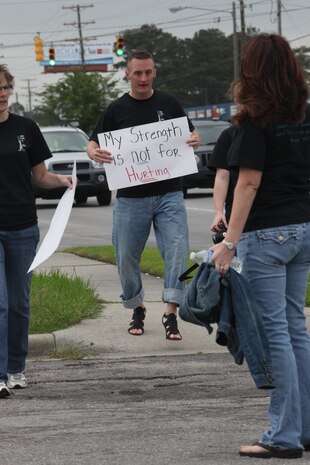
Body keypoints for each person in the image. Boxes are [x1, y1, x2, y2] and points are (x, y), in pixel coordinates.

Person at [210, 34, 310, 458]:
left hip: (267, 234)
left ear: (251, 70)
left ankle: (283, 436)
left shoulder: (254, 121)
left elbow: (248, 183)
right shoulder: (305, 116)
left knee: (276, 335)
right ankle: (302, 430)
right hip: (302, 229)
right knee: (296, 329)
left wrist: (228, 243)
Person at [87, 50, 199, 340]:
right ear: (127, 74)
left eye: (148, 72)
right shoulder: (116, 109)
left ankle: (171, 311)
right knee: (125, 255)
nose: (143, 78)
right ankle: (136, 306)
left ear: (155, 72)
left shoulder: (169, 103)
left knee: (177, 251)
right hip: (130, 196)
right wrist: (94, 152)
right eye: (137, 73)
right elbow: (93, 142)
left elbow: (190, 132)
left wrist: (195, 138)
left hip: (169, 193)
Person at [0, 64, 73, 398]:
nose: (1, 93)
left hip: (23, 228)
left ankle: (16, 368)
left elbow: (39, 177)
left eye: (5, 87)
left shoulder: (25, 128)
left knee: (19, 304)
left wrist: (62, 182)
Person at [209, 124, 236, 234]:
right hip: (235, 211)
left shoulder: (277, 132)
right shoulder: (229, 135)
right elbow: (222, 177)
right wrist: (219, 212)